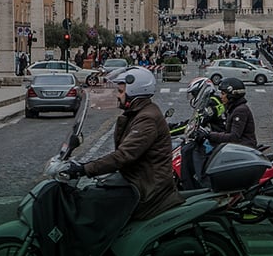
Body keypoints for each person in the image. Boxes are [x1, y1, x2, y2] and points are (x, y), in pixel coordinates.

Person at [63, 67, 184, 220]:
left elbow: (123, 155)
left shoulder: (146, 119)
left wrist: (84, 169)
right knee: (96, 191)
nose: (117, 95)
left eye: (120, 91)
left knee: (92, 202)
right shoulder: (140, 113)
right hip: (138, 179)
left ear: (133, 92)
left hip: (147, 188)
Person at [202, 77, 257, 149]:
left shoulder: (240, 111)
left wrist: (209, 135)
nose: (221, 97)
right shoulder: (232, 108)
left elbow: (234, 137)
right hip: (238, 146)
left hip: (244, 148)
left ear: (232, 95)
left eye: (223, 94)